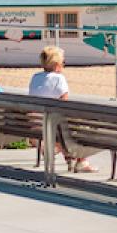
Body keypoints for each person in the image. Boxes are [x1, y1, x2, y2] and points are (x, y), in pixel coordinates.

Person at [28, 45, 99, 173]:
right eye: (63, 62)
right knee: (77, 127)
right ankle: (81, 161)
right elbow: (65, 106)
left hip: (36, 126)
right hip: (53, 128)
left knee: (61, 127)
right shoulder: (59, 79)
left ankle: (72, 159)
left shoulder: (35, 77)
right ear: (56, 64)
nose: (64, 65)